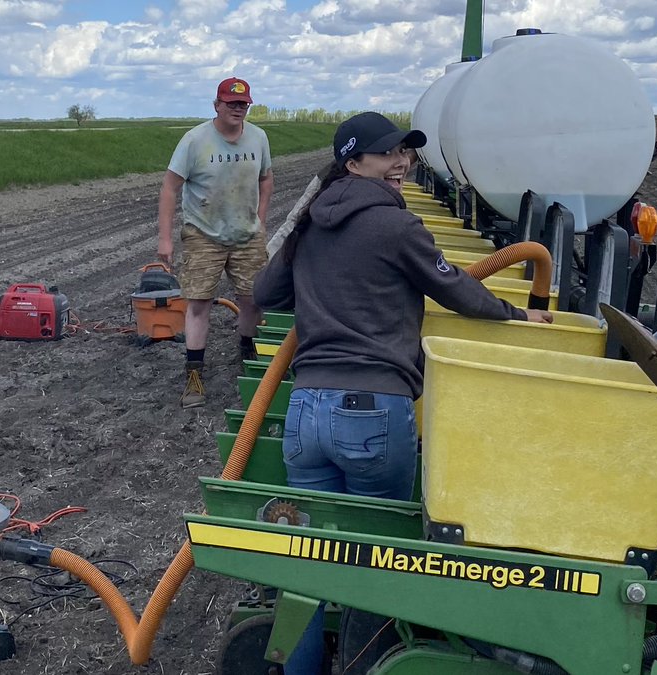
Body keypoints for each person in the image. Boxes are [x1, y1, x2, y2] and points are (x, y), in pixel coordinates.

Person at [252, 111, 553, 674]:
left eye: (406, 153)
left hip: (306, 412)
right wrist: (518, 316)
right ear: (353, 162)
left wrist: (296, 229)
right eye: (389, 153)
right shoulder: (395, 226)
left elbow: (265, 292)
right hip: (371, 410)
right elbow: (456, 290)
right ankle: (368, 665)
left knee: (307, 560)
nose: (403, 162)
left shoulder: (315, 223)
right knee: (383, 566)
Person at [157, 77, 274, 408]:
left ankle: (246, 348)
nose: (238, 109)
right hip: (203, 234)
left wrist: (261, 221)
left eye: (243, 104)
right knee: (199, 304)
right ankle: (194, 374)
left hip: (246, 234)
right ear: (217, 105)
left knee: (253, 299)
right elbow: (169, 188)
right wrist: (165, 238)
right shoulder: (195, 141)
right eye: (231, 103)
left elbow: (266, 179)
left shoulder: (259, 138)